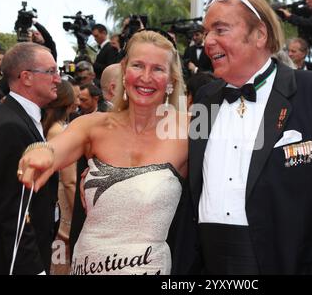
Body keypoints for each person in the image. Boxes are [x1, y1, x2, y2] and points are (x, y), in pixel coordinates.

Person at [188, 0, 312, 274]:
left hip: (287, 261)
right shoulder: (204, 97)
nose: (208, 41)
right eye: (206, 31)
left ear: (260, 34)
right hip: (209, 262)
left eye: (220, 29)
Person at [17, 30, 190, 275]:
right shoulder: (92, 125)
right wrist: (39, 153)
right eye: (138, 65)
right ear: (124, 69)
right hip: (88, 264)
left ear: (171, 79)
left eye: (158, 69)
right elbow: (54, 149)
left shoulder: (190, 130)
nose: (146, 77)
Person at [0, 42, 60, 274]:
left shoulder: (19, 117)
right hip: (13, 261)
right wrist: (33, 270)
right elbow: (13, 210)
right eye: (51, 72)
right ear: (26, 77)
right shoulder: (11, 126)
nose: (58, 79)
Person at [41, 80, 77, 275]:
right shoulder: (59, 131)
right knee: (62, 260)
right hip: (63, 204)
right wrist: (78, 212)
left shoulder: (45, 126)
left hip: (52, 202)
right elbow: (69, 180)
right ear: (69, 103)